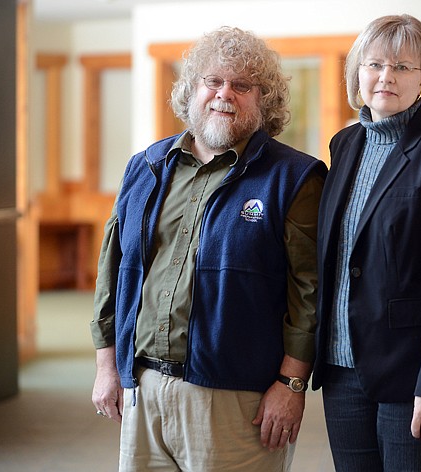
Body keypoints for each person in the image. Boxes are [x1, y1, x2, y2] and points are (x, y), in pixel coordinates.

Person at [90, 26, 326, 472]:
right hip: (144, 387)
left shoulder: (294, 178)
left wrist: (291, 385)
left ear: (265, 99)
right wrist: (108, 365)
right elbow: (113, 270)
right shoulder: (146, 167)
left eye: (242, 85)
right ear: (191, 89)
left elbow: (310, 295)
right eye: (212, 81)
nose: (224, 94)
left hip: (238, 399)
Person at [311, 14, 421, 472]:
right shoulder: (344, 144)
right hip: (344, 366)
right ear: (357, 74)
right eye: (374, 64)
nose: (386, 76)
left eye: (402, 67)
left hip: (416, 374)